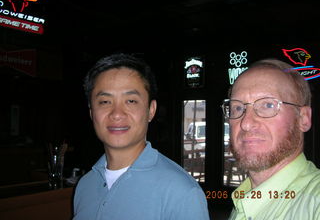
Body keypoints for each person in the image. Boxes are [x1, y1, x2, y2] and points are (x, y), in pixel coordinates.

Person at [73, 53, 210, 220]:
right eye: (104, 102)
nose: (117, 114)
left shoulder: (181, 193)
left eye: (131, 101)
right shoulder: (84, 186)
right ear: (91, 112)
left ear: (151, 110)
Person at [222, 59, 320, 220]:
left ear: (303, 118)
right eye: (238, 107)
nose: (246, 123)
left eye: (268, 105)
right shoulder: (242, 200)